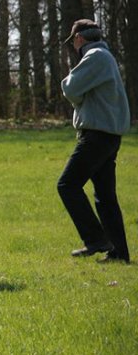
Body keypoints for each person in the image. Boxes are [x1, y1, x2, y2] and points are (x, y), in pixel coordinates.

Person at [58, 19, 131, 263]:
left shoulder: (95, 56)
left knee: (67, 185)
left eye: (74, 42)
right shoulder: (106, 56)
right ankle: (118, 252)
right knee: (105, 196)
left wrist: (77, 98)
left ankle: (95, 239)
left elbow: (69, 88)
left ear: (79, 38)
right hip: (109, 135)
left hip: (97, 134)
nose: (74, 46)